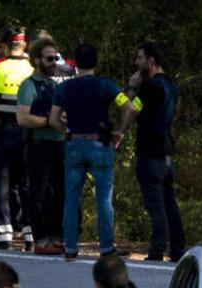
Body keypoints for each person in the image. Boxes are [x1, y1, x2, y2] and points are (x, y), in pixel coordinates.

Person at [49, 43, 137, 261]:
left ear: (76, 63)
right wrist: (121, 131)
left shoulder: (64, 88)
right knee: (103, 198)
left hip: (74, 145)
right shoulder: (106, 85)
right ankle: (106, 246)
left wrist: (66, 132)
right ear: (96, 61)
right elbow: (129, 107)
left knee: (71, 198)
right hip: (100, 144)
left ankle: (70, 247)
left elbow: (53, 119)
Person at [125, 42, 186, 262]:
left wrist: (131, 88)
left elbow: (131, 109)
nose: (136, 62)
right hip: (166, 150)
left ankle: (157, 249)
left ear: (151, 60)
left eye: (140, 58)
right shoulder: (171, 85)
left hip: (150, 150)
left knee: (156, 204)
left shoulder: (149, 86)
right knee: (170, 202)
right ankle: (177, 249)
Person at [0, 27, 35, 250]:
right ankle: (31, 235)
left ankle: (3, 235)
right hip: (27, 132)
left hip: (0, 132)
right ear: (24, 45)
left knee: (1, 182)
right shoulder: (33, 68)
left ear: (4, 46)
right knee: (26, 183)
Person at [16, 36, 65, 256]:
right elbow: (22, 118)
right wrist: (49, 121)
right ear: (37, 60)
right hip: (38, 145)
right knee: (38, 193)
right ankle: (41, 239)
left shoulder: (55, 85)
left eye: (56, 58)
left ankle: (55, 237)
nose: (54, 62)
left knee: (58, 193)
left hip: (58, 144)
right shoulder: (29, 86)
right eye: (49, 59)